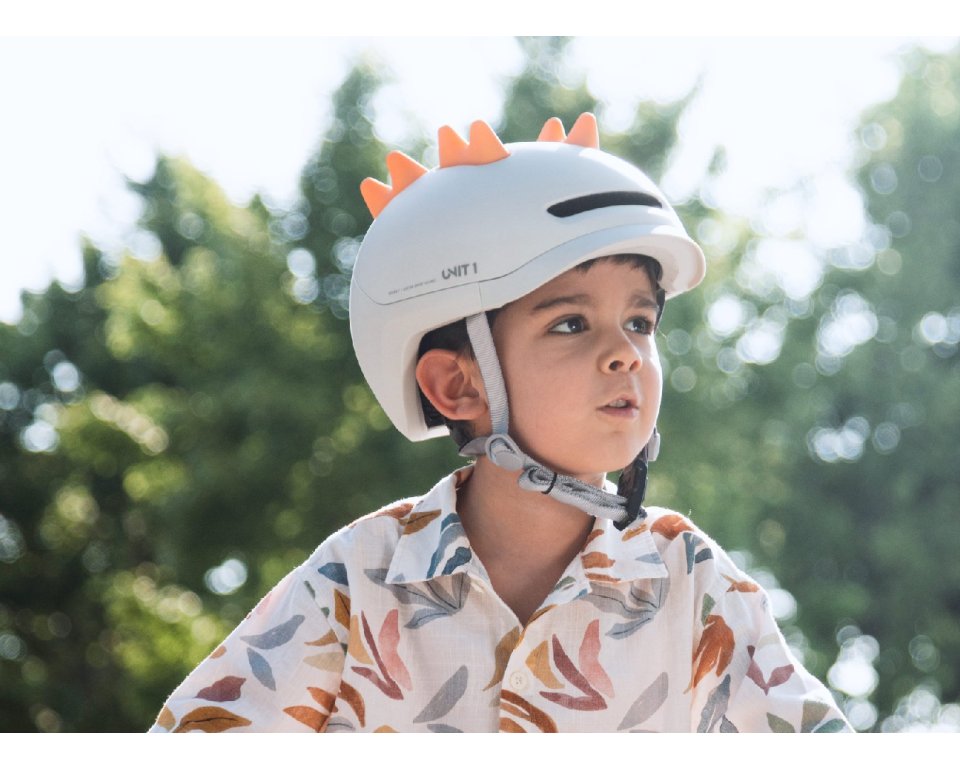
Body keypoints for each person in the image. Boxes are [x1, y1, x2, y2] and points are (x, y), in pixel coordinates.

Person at [149, 114, 851, 733]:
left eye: (640, 322)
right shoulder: (359, 577)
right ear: (457, 385)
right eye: (571, 323)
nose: (625, 354)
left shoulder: (694, 584)